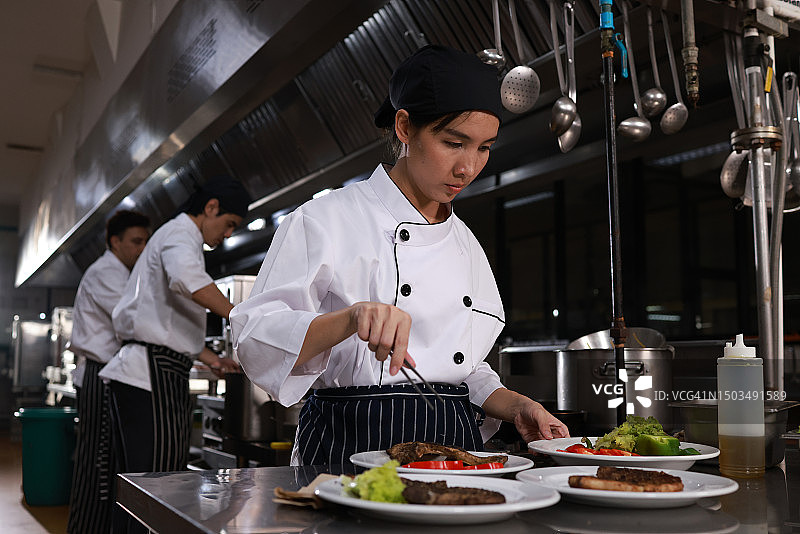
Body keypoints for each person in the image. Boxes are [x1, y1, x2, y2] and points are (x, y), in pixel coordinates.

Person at [230, 44, 569, 467]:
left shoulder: (465, 243)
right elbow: (255, 339)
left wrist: (515, 404)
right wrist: (350, 319)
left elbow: (458, 368)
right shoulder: (325, 219)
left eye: (483, 148)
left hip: (454, 453)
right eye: (453, 142)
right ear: (405, 127)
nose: (468, 167)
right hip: (348, 446)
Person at [98, 176, 250, 532]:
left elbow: (165, 317)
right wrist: (242, 316)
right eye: (229, 224)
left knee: (138, 481)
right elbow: (186, 280)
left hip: (148, 370)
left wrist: (211, 358)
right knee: (156, 482)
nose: (228, 234)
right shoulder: (181, 234)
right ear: (210, 207)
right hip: (150, 374)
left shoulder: (175, 237)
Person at [66, 210, 150, 534]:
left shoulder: (123, 275)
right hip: (99, 375)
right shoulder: (106, 273)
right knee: (96, 467)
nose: (141, 249)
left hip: (110, 375)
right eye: (135, 241)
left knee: (107, 464)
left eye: (145, 241)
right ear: (115, 242)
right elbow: (132, 321)